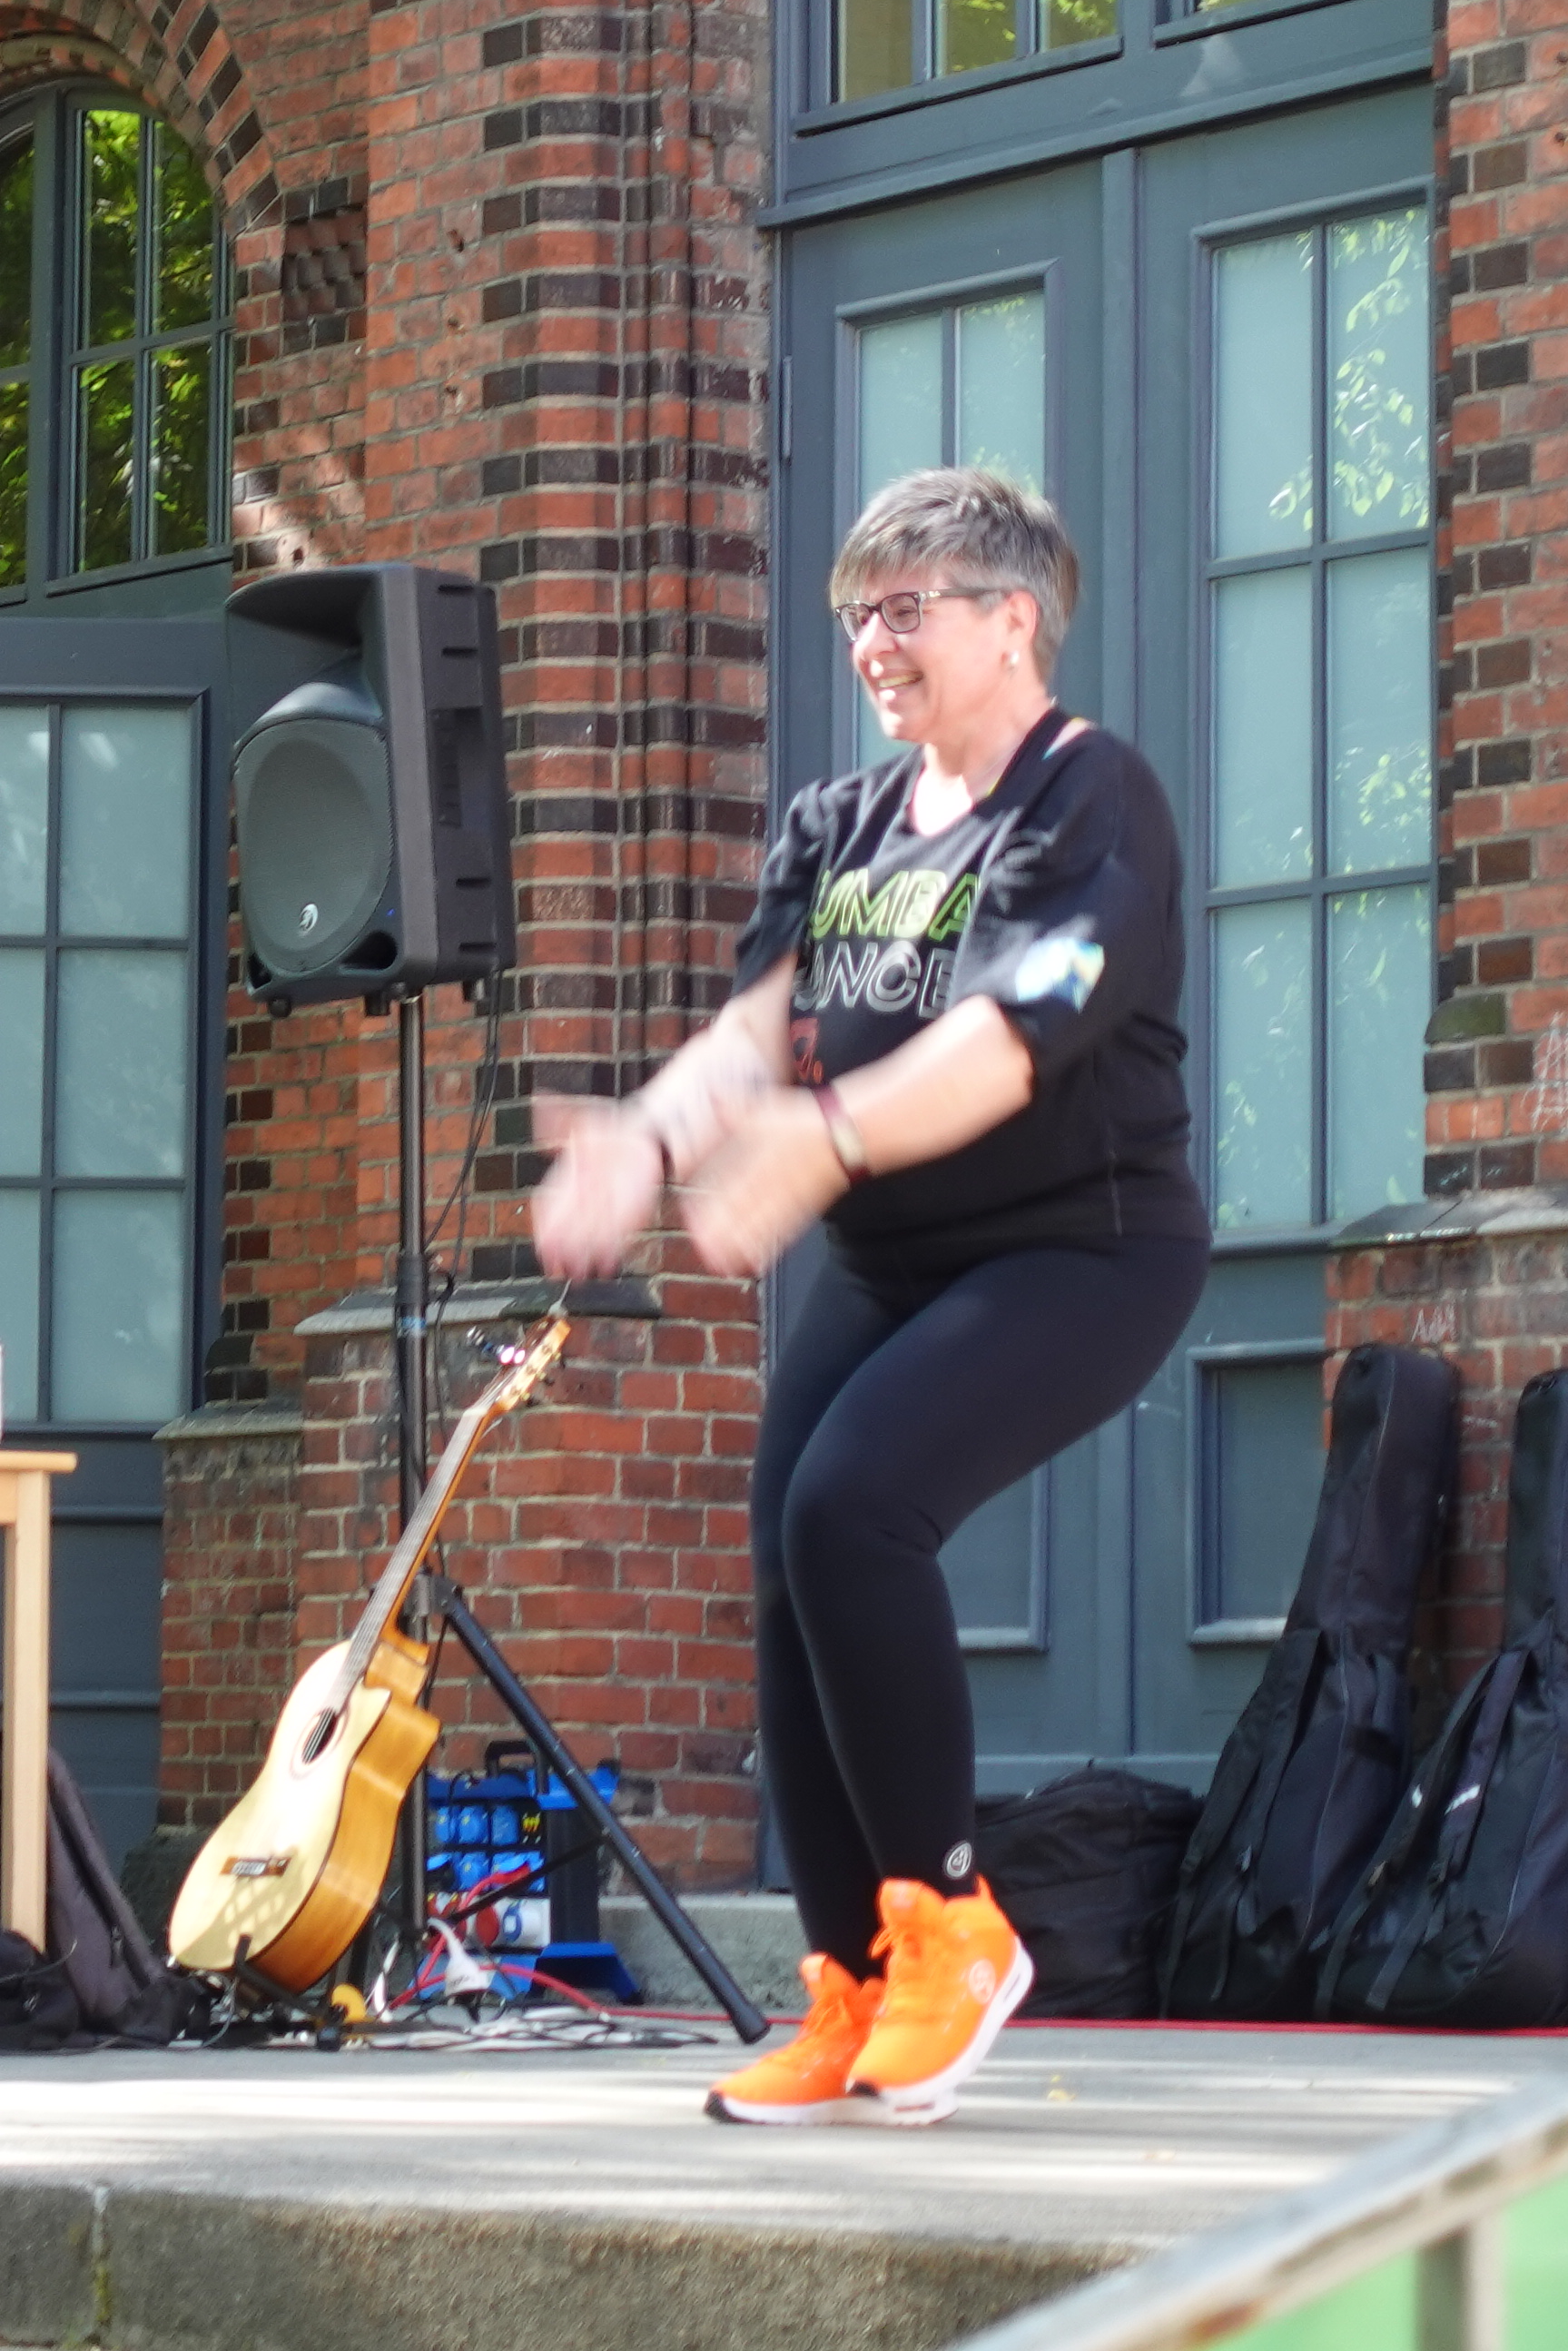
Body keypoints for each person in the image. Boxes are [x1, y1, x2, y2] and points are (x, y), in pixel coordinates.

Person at [535, 466, 1207, 2127]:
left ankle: (953, 1926)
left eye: (908, 608)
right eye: (857, 613)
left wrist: (824, 1143)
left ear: (1012, 617)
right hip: (898, 1258)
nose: (873, 642)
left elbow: (1008, 1038)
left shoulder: (1088, 799)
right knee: (782, 1552)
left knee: (855, 1509)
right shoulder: (839, 825)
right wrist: (646, 1138)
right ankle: (848, 1985)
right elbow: (757, 1030)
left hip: (1083, 1247)